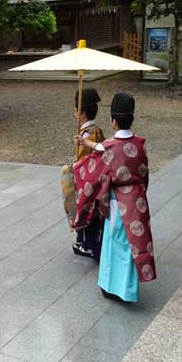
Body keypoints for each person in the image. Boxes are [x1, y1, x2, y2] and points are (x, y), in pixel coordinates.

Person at [72, 92, 156, 302]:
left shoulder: (109, 149)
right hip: (137, 200)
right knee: (131, 245)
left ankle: (111, 288)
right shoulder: (139, 144)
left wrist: (76, 169)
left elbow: (94, 174)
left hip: (118, 203)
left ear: (114, 121)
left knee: (114, 242)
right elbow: (144, 171)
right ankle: (128, 289)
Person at [71, 88, 105, 260]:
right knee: (90, 213)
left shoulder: (89, 133)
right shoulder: (94, 129)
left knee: (86, 212)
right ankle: (85, 242)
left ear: (83, 112)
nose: (74, 112)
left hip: (88, 181)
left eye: (76, 109)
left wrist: (75, 166)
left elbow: (87, 160)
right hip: (95, 180)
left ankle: (87, 245)